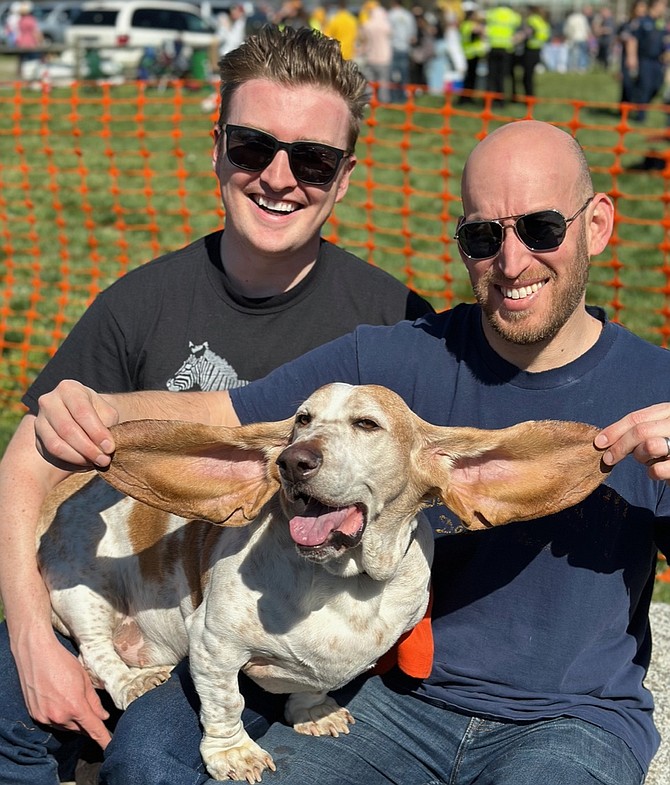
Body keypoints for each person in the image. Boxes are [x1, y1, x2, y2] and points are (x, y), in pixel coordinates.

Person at [34, 119, 670, 785]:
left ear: (597, 224)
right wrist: (91, 406)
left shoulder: (657, 390)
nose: (511, 263)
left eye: (541, 228)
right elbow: (232, 420)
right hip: (398, 702)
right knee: (159, 760)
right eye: (483, 236)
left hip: (571, 720)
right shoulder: (393, 360)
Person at [0, 24, 434, 785]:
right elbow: (22, 468)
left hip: (279, 631)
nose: (277, 176)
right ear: (217, 147)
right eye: (250, 147)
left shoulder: (396, 321)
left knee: (151, 759)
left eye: (313, 159)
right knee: (8, 709)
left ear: (345, 176)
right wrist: (35, 640)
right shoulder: (140, 303)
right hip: (133, 591)